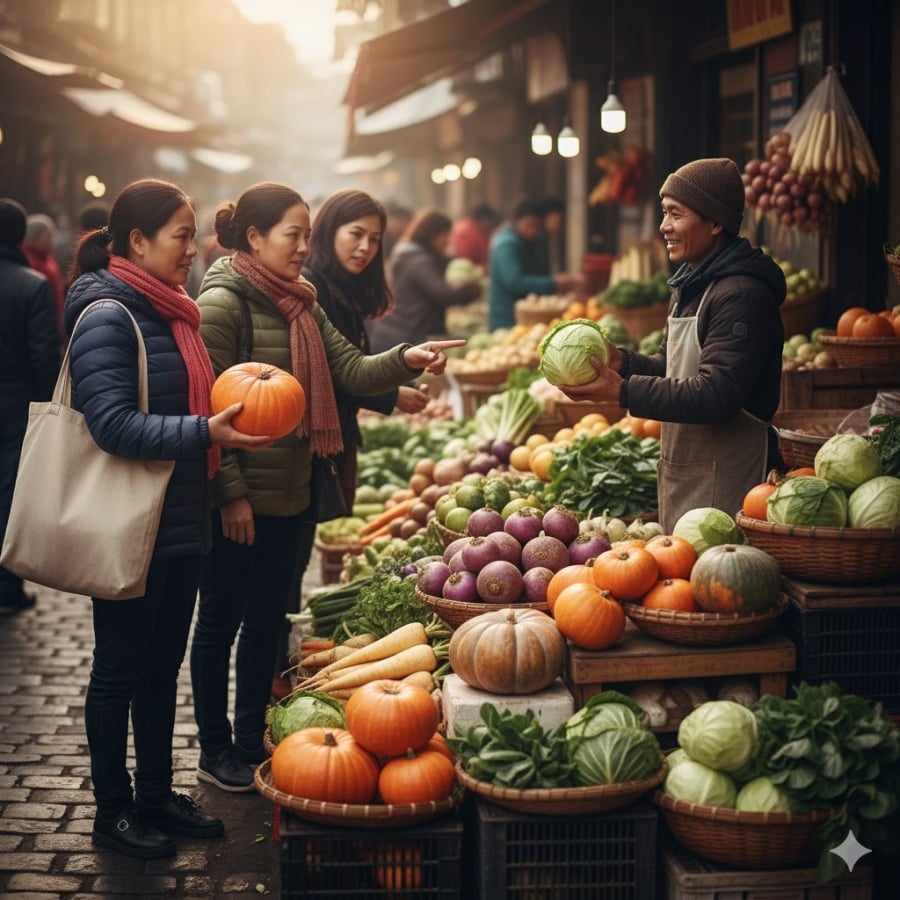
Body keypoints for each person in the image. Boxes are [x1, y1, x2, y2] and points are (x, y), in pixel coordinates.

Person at [189, 182, 461, 792]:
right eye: (295, 234)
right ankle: (213, 748)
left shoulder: (301, 303)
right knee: (219, 622)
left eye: (308, 234)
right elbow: (205, 408)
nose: (304, 247)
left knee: (264, 622)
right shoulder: (223, 302)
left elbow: (351, 370)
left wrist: (407, 358)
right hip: (239, 501)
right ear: (255, 238)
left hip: (290, 490)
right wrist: (229, 492)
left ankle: (245, 734)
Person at [62, 178, 271, 860]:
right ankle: (112, 809)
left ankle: (155, 795)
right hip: (130, 524)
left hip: (178, 522)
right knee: (119, 671)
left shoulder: (173, 311)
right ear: (137, 243)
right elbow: (114, 426)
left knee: (160, 668)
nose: (192, 247)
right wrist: (205, 431)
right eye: (180, 236)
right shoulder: (106, 316)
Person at [558, 158, 786, 532]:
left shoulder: (742, 295)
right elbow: (673, 364)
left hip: (733, 478)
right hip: (688, 468)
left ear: (715, 223)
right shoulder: (694, 282)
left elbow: (718, 394)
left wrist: (624, 392)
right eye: (664, 213)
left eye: (675, 214)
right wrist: (622, 362)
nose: (664, 227)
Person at [0, 199, 61, 611]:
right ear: (22, 237)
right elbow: (43, 357)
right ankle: (6, 586)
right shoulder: (31, 284)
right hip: (13, 405)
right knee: (9, 494)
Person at [368, 208, 482, 353]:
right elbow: (443, 294)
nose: (447, 242)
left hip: (402, 330)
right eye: (445, 236)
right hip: (405, 333)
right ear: (432, 234)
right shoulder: (417, 260)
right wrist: (471, 290)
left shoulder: (413, 254)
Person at [487, 198, 582, 330]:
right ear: (516, 221)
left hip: (529, 318)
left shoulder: (533, 241)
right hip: (507, 318)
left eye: (537, 227)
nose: (533, 231)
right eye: (529, 225)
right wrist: (554, 282)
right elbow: (515, 281)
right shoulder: (506, 245)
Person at [22, 213, 65, 340]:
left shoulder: (47, 259)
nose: (51, 240)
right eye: (47, 236)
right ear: (34, 237)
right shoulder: (28, 262)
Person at [448, 202, 499, 270]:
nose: (490, 225)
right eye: (489, 221)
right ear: (484, 220)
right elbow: (466, 262)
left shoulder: (466, 227)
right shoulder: (470, 233)